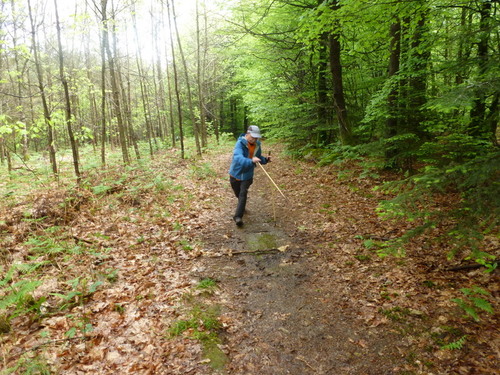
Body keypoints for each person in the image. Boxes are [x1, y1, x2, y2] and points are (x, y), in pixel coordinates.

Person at [229, 125, 271, 226]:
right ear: (247, 134)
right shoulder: (240, 144)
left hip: (247, 175)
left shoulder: (257, 145)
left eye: (256, 137)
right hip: (235, 173)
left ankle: (238, 217)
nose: (254, 139)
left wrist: (265, 160)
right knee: (238, 194)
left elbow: (258, 156)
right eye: (252, 137)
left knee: (243, 194)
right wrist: (251, 160)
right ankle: (242, 206)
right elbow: (238, 158)